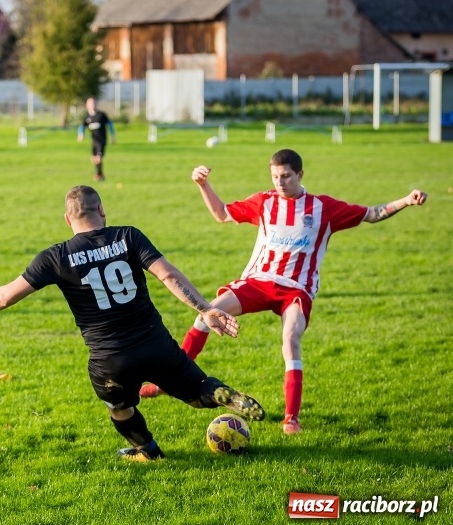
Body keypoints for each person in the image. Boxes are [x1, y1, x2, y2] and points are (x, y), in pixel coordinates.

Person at [0, 185, 264, 462]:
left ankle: (148, 450)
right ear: (102, 210)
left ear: (67, 220)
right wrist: (206, 309)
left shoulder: (56, 257)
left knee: (120, 409)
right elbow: (168, 275)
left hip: (111, 358)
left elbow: (4, 298)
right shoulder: (128, 236)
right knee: (197, 392)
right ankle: (223, 394)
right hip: (156, 343)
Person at [139, 149, 428, 435]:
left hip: (296, 291)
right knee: (207, 313)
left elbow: (372, 214)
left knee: (290, 340)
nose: (280, 182)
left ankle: (291, 418)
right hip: (258, 283)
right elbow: (221, 214)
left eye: (286, 176)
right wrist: (203, 184)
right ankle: (170, 381)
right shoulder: (263, 202)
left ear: (300, 174)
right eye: (275, 176)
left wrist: (406, 200)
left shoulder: (323, 208)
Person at [77, 97, 115, 182]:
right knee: (93, 158)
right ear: (87, 105)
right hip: (94, 141)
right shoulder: (87, 117)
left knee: (98, 158)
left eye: (93, 103)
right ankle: (99, 174)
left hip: (102, 141)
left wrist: (113, 136)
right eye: (90, 103)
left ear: (96, 104)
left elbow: (110, 125)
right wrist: (81, 134)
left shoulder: (101, 115)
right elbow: (82, 126)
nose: (92, 105)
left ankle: (99, 175)